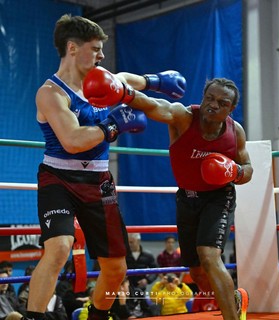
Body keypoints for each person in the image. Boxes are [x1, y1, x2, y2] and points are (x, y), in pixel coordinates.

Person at [22, 14, 186, 320]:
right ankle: (34, 317)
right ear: (72, 48)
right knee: (59, 247)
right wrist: (113, 126)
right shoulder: (51, 93)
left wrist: (159, 81)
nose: (100, 55)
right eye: (95, 48)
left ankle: (97, 316)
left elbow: (127, 79)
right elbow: (72, 140)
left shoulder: (104, 80)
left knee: (115, 268)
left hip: (98, 180)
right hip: (58, 178)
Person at [83, 71, 254, 319]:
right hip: (187, 198)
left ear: (232, 108)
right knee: (198, 275)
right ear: (204, 97)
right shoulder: (183, 117)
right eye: (210, 98)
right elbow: (153, 105)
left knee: (209, 255)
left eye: (222, 103)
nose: (213, 105)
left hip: (219, 197)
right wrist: (122, 92)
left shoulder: (235, 131)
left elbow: (248, 169)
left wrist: (235, 171)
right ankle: (234, 298)